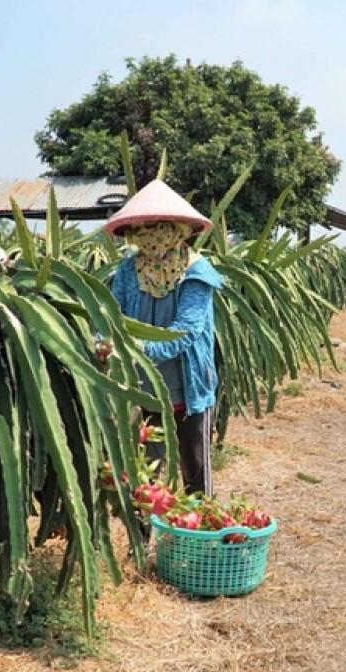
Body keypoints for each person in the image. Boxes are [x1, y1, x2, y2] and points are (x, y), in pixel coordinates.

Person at [104, 180, 224, 496]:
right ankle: (140, 542)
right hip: (141, 390)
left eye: (159, 227)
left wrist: (137, 350)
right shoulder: (128, 271)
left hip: (188, 388)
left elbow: (186, 331)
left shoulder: (197, 273)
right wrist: (102, 344)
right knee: (144, 474)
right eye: (143, 228)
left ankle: (200, 539)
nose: (151, 235)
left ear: (178, 229)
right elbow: (110, 316)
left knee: (195, 471)